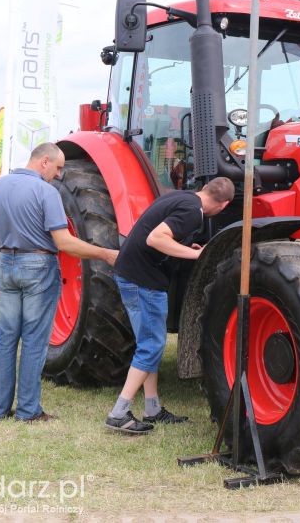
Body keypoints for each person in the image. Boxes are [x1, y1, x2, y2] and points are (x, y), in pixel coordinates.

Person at [0, 142, 118, 423]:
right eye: (57, 167)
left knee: (6, 337)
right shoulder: (46, 192)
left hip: (6, 264)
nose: (58, 175)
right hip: (39, 267)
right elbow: (65, 243)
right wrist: (105, 252)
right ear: (44, 161)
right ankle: (28, 410)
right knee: (34, 340)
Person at [105, 176, 235, 434]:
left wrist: (185, 245)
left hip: (130, 274)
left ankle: (152, 407)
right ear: (224, 205)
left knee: (147, 344)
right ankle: (119, 412)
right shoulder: (193, 213)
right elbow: (155, 238)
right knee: (152, 344)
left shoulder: (181, 197)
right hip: (144, 281)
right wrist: (196, 254)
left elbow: (159, 232)